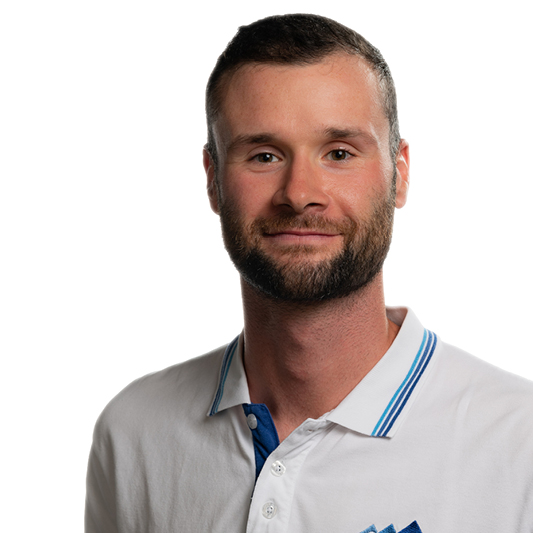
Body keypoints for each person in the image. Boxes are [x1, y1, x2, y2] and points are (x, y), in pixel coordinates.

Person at [85, 14, 533, 533]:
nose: (299, 194)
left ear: (400, 172)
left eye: (339, 153)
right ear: (212, 181)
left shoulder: (518, 443)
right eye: (264, 155)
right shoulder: (132, 433)